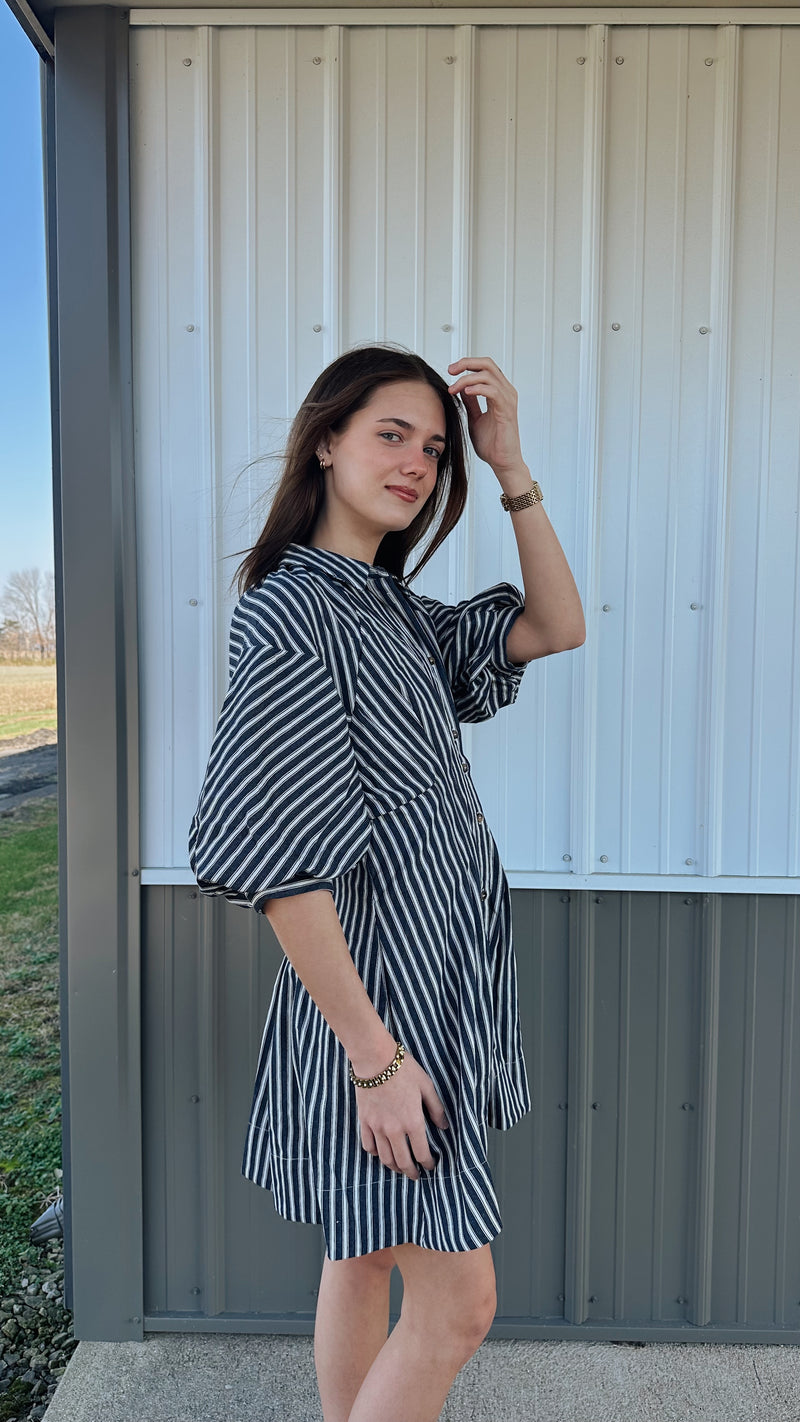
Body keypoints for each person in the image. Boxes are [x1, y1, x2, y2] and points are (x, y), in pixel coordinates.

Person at [188, 346, 585, 1422]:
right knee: (459, 1305)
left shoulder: (392, 610)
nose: (416, 461)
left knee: (361, 1255)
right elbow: (272, 855)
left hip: (419, 1003)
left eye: (432, 445)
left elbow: (553, 626)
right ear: (325, 440)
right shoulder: (293, 614)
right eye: (388, 434)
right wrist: (372, 1061)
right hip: (377, 1017)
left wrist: (508, 467)